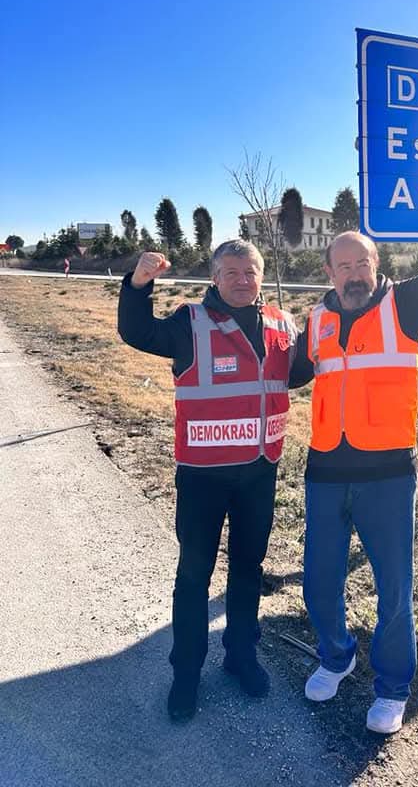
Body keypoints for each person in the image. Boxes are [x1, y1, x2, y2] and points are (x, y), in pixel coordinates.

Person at [291, 158, 418, 735]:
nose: (353, 272)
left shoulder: (404, 304)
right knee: (319, 579)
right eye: (342, 264)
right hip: (325, 470)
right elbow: (291, 373)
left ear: (376, 265)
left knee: (393, 588)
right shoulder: (318, 321)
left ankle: (393, 685)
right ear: (328, 271)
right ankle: (336, 655)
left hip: (387, 475)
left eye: (363, 262)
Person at [118, 241, 297, 722]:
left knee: (247, 569)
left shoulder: (281, 323)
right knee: (194, 576)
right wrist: (139, 284)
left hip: (259, 471)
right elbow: (136, 331)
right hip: (203, 475)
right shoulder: (189, 322)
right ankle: (186, 674)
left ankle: (241, 656)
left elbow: (297, 372)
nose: (242, 279)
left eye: (250, 271)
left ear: (260, 276)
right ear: (215, 277)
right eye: (231, 272)